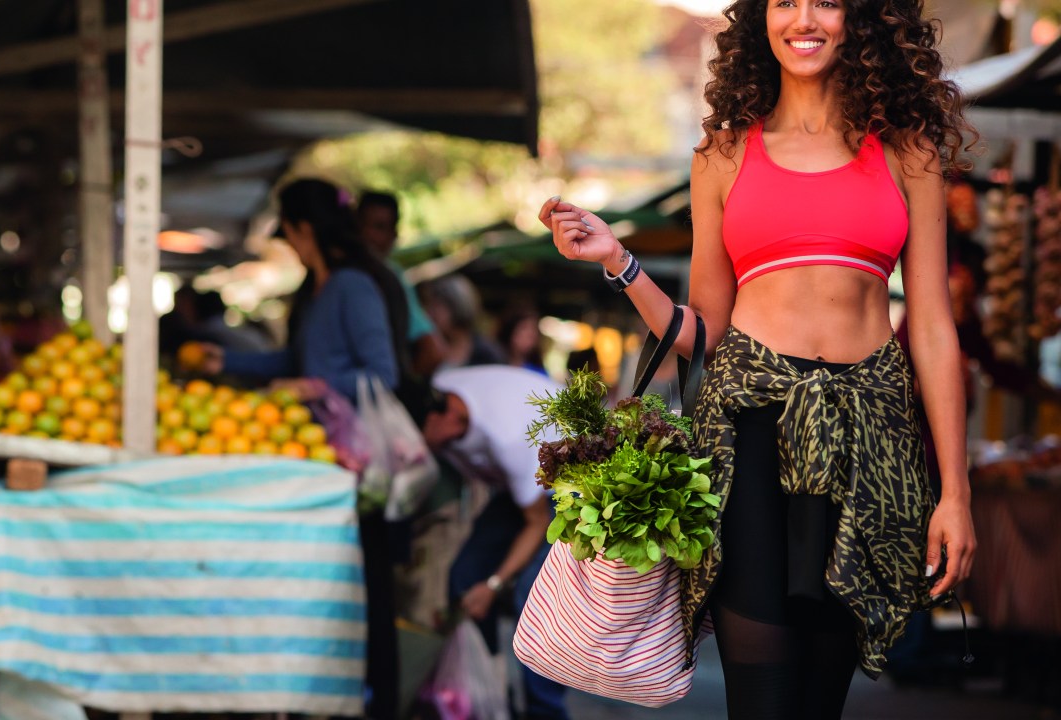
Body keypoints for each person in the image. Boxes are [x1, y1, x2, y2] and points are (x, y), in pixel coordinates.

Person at [540, 0, 977, 717]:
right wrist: (617, 260)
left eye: (826, 1)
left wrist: (954, 494)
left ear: (859, 19)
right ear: (760, 19)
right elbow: (704, 330)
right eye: (785, 1)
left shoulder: (908, 150)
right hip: (746, 437)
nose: (804, 19)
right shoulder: (722, 153)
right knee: (762, 697)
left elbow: (931, 327)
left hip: (868, 443)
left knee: (819, 697)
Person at [198, 178, 411, 720]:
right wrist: (228, 364)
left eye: (288, 233)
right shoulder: (312, 292)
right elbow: (297, 362)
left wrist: (317, 389)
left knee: (367, 591)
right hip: (318, 465)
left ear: (303, 229)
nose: (288, 244)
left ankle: (373, 703)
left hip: (359, 467)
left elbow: (382, 373)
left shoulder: (352, 286)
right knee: (327, 590)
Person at [421, 365, 570, 720]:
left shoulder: (508, 437)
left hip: (567, 488)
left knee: (534, 604)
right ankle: (488, 698)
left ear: (453, 417)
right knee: (463, 577)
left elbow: (536, 523)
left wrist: (494, 584)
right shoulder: (440, 387)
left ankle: (545, 711)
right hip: (519, 488)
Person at [357, 190, 449, 378]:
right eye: (364, 226)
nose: (369, 235)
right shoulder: (350, 276)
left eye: (379, 227)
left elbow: (433, 351)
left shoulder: (391, 278)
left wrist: (401, 390)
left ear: (394, 235)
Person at [418, 274, 505, 371]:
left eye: (435, 306)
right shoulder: (427, 347)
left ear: (455, 306)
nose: (428, 313)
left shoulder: (486, 353)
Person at [496, 304, 548, 377]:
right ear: (510, 331)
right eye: (524, 328)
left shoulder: (538, 372)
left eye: (534, 329)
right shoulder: (494, 365)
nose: (531, 334)